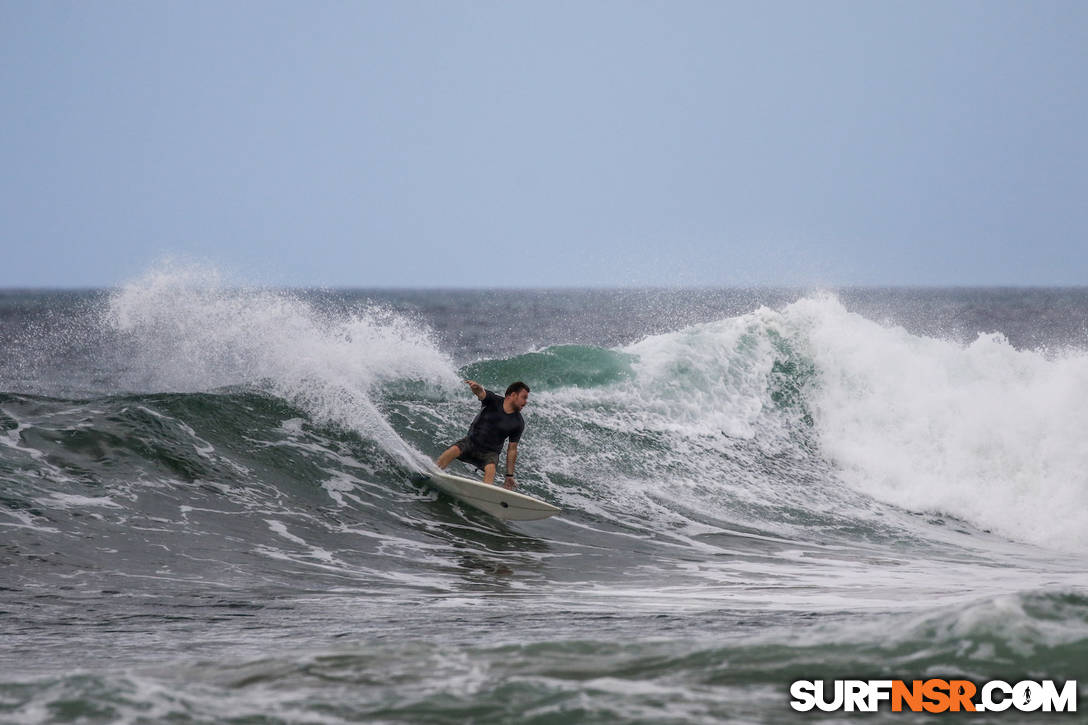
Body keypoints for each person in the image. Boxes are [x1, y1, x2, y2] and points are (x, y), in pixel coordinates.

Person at [436, 380, 529, 490]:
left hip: (490, 453)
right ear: (513, 395)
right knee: (453, 450)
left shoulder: (518, 422)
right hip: (471, 442)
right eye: (524, 397)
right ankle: (434, 473)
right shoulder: (493, 400)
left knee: (491, 469)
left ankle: (485, 494)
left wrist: (509, 475)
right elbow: (482, 394)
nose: (526, 402)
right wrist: (477, 389)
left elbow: (512, 449)